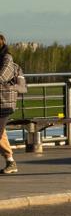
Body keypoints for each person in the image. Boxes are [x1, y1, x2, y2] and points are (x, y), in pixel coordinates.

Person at [0, 35, 24, 175]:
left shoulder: (7, 59)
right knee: (1, 133)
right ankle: (10, 161)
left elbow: (3, 76)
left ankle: (10, 161)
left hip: (4, 102)